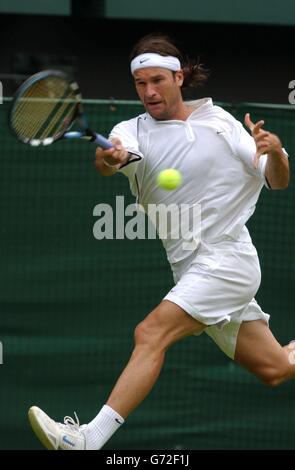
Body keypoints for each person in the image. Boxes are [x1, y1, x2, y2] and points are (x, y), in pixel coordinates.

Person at [28, 33, 292, 450]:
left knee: (151, 333)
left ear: (179, 78)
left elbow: (277, 181)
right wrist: (109, 158)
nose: (149, 92)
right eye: (140, 84)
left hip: (228, 259)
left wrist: (275, 153)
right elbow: (112, 159)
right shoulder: (128, 131)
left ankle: (87, 439)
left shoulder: (222, 123)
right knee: (276, 368)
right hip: (189, 265)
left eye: (158, 81)